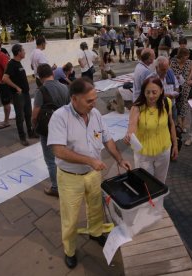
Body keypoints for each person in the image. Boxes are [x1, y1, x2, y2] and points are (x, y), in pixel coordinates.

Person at [47, 78, 132, 269]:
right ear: (74, 99)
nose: (94, 104)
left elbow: (107, 139)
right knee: (70, 218)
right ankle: (69, 250)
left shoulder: (94, 114)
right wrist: (90, 160)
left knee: (95, 208)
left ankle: (95, 233)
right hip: (70, 177)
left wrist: (119, 159)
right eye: (89, 101)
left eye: (94, 99)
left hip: (92, 174)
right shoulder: (60, 117)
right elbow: (58, 151)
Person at [124, 77, 178, 184]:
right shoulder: (137, 107)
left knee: (160, 183)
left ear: (161, 90)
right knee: (146, 185)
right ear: (143, 92)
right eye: (147, 92)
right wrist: (129, 136)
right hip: (144, 155)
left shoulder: (166, 103)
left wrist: (175, 144)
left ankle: (158, 201)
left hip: (164, 151)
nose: (151, 96)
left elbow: (171, 124)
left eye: (154, 92)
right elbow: (132, 127)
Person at [32, 64, 70, 197]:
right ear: (52, 73)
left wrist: (34, 126)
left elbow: (35, 114)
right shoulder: (64, 87)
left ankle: (56, 187)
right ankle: (67, 182)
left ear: (39, 77)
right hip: (63, 127)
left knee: (50, 159)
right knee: (64, 156)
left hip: (47, 130)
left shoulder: (40, 91)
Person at [2, 44, 37, 146]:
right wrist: (17, 87)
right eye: (23, 50)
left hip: (25, 94)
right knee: (20, 117)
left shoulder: (18, 63)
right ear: (18, 52)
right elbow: (5, 78)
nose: (25, 52)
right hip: (18, 95)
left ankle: (30, 133)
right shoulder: (12, 64)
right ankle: (22, 137)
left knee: (28, 114)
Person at [170, 48, 192, 131]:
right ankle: (178, 123)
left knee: (184, 105)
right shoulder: (173, 62)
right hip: (176, 87)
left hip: (186, 87)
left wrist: (190, 80)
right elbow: (169, 73)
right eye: (186, 56)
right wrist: (174, 77)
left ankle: (182, 124)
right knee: (176, 105)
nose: (187, 57)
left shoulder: (189, 63)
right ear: (181, 56)